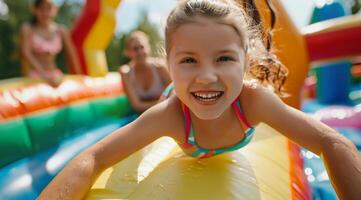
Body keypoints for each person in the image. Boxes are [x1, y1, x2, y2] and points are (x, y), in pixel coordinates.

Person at [38, 0, 361, 199]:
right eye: (189, 61)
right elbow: (93, 158)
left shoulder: (254, 101)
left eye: (223, 59)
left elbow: (330, 141)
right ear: (169, 65)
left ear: (246, 61)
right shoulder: (170, 115)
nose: (207, 75)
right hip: (176, 101)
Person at [20, 0, 80, 87]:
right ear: (34, 10)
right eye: (41, 9)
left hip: (55, 74)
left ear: (55, 10)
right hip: (35, 76)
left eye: (48, 9)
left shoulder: (61, 30)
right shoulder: (28, 29)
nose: (45, 13)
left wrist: (78, 77)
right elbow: (25, 53)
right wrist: (44, 76)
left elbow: (71, 54)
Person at [119, 31, 172, 113]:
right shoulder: (126, 73)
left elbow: (174, 95)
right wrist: (160, 103)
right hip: (143, 114)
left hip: (165, 111)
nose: (140, 52)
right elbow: (136, 105)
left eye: (142, 47)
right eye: (135, 49)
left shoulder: (159, 68)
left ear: (148, 48)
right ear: (128, 52)